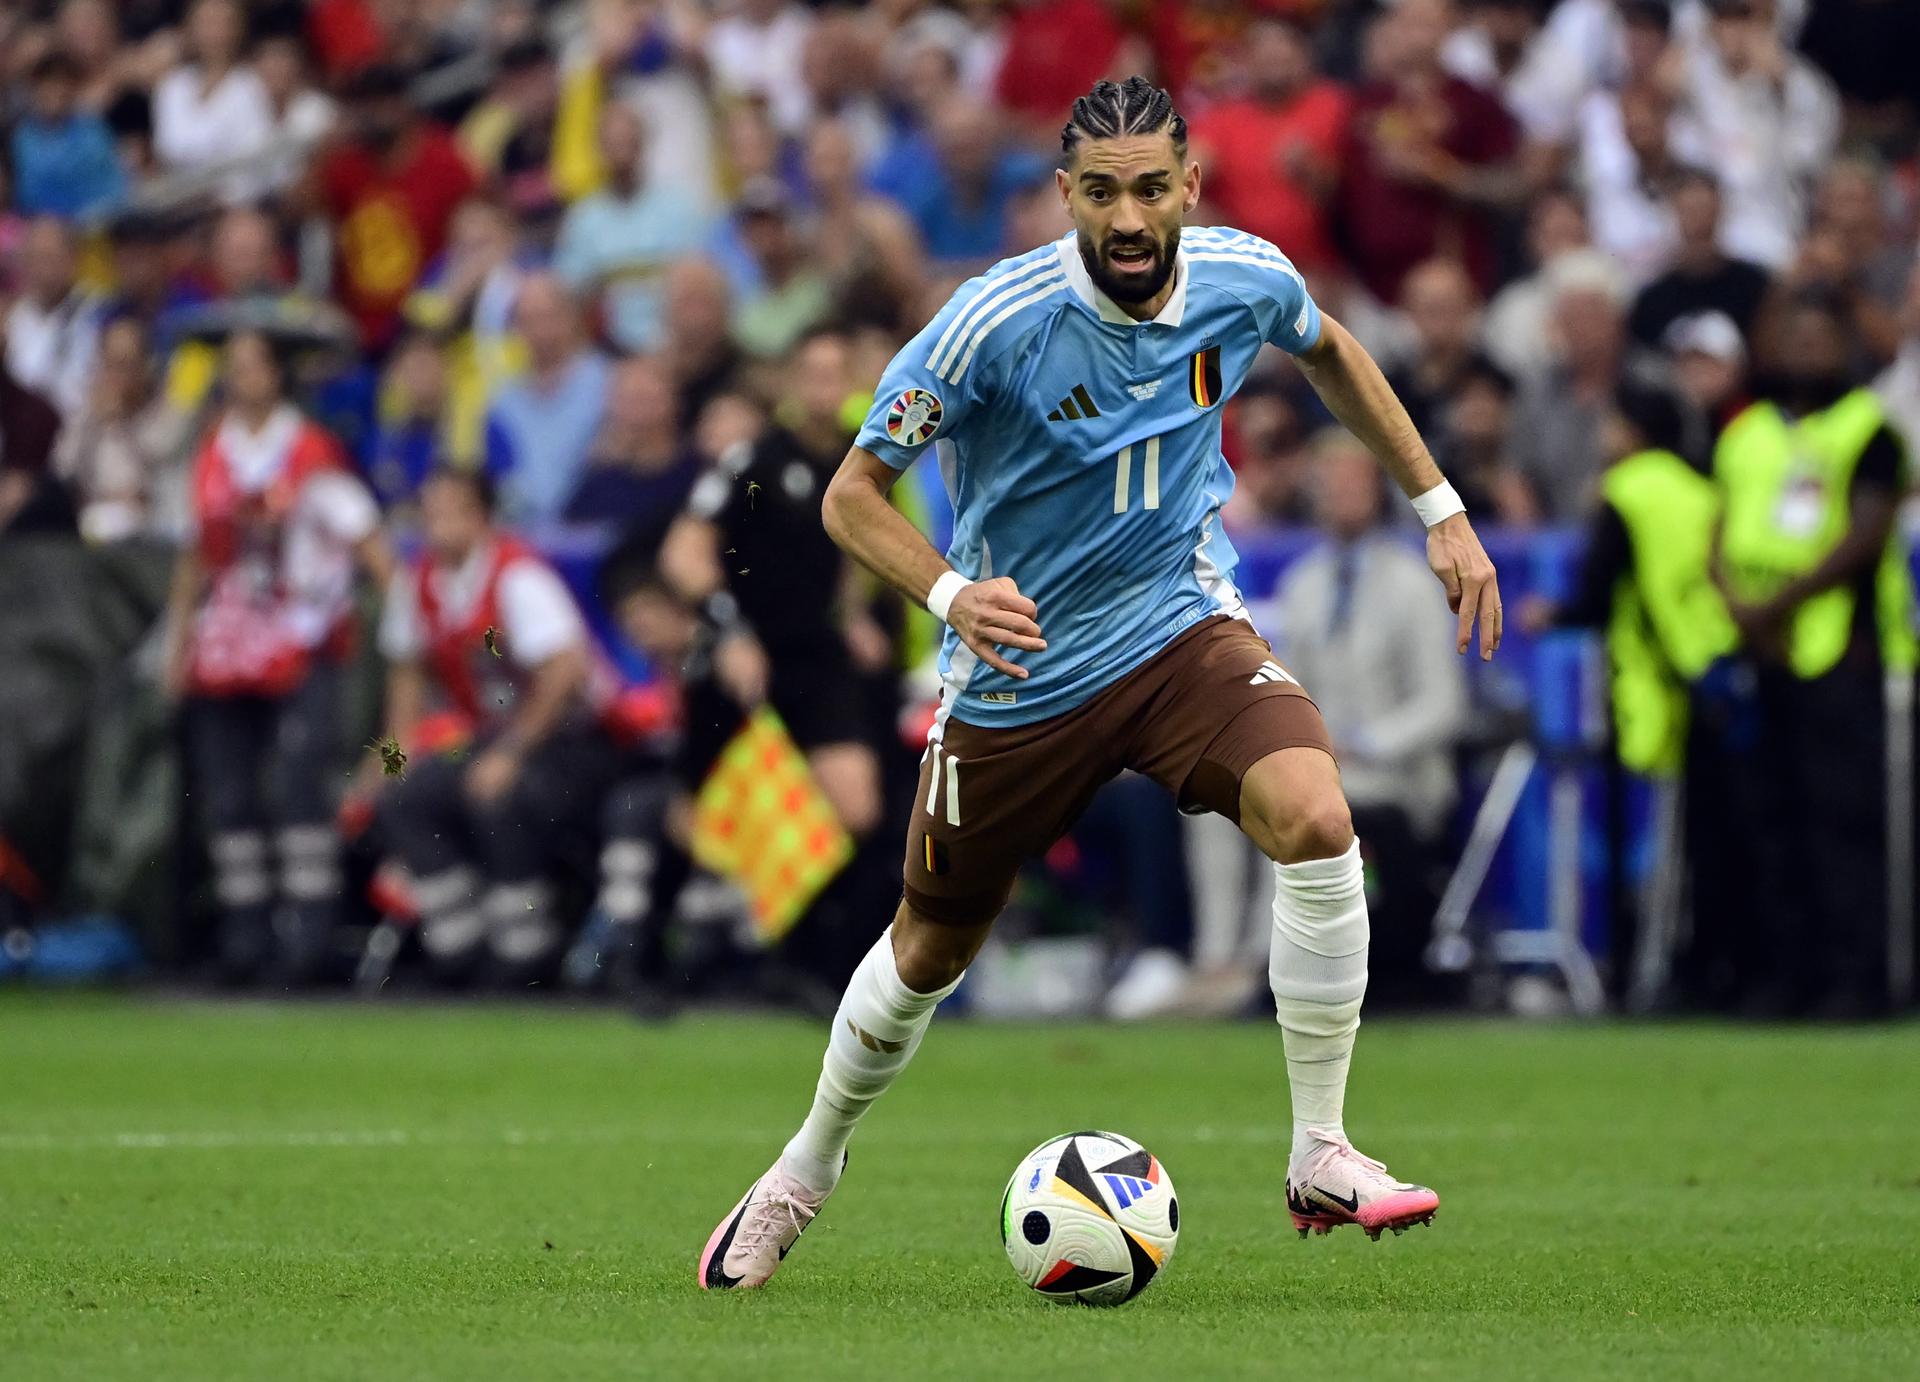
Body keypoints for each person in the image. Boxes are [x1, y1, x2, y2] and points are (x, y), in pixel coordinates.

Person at [697, 76, 1503, 1290]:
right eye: (1101, 191)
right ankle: (804, 1167)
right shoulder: (990, 322)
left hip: (1179, 625)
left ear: (1191, 186)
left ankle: (1322, 1148)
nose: (1129, 218)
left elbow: (1329, 347)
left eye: (1151, 188)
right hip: (1019, 672)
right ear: (1067, 194)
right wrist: (949, 594)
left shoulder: (1243, 272)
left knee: (1317, 814)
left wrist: (1439, 506)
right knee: (929, 946)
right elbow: (849, 494)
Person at [161, 329, 386, 984]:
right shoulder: (211, 454)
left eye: (250, 366)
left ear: (277, 376)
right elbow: (193, 554)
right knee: (229, 792)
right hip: (227, 644)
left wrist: (389, 611)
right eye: (230, 367)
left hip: (303, 639)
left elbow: (367, 539)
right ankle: (245, 936)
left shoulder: (311, 454)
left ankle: (309, 937)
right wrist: (178, 646)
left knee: (298, 783)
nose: (238, 378)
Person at [1712, 291, 1915, 1018]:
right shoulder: (1747, 431)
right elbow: (1721, 524)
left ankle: (1855, 979)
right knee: (1770, 822)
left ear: (1843, 345)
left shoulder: (1871, 431)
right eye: (1792, 336)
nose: (1805, 349)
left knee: (1844, 825)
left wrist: (1776, 605)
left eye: (1819, 337)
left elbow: (1864, 534)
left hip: (1840, 652)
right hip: (1760, 652)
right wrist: (1739, 604)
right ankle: (1783, 975)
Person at [1521, 380, 1743, 1004]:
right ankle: (1712, 967)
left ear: (1634, 431)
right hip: (1714, 672)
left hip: (1651, 683)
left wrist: (1552, 615)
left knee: (1639, 838)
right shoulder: (1701, 492)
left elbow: (1599, 593)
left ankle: (1636, 977)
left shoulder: (1625, 492)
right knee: (1711, 841)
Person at [369, 467, 608, 983]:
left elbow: (565, 671)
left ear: (479, 516)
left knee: (501, 795)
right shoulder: (420, 581)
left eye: (447, 510)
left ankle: (525, 949)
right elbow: (406, 680)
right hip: (485, 737)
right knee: (405, 796)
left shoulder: (517, 575)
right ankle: (458, 941)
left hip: (567, 740)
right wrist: (391, 760)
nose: (433, 524)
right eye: (427, 512)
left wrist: (510, 753)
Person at [1272, 432, 1470, 1001]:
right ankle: (1225, 957)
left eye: (1351, 482)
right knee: (1218, 802)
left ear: (1377, 491)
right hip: (1320, 762)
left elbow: (1443, 703)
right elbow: (1290, 687)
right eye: (1329, 484)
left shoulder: (1413, 583)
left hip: (1394, 771)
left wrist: (1363, 743)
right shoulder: (1302, 586)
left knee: (1324, 807)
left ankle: (1320, 969)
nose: (1339, 495)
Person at [552, 102, 708, 355]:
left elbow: (699, 282)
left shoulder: (680, 206)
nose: (621, 153)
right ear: (599, 149)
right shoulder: (583, 218)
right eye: (612, 143)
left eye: (628, 141)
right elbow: (570, 294)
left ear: (643, 144)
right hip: (610, 350)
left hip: (677, 346)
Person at [483, 274, 611, 523]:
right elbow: (499, 480)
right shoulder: (502, 403)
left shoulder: (609, 383)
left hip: (594, 530)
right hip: (524, 534)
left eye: (549, 317)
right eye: (527, 321)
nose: (540, 331)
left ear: (572, 318)